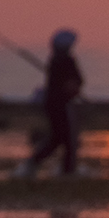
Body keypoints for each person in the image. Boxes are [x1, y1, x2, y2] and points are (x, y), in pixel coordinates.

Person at [13, 29, 84, 178]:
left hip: (54, 104)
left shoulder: (56, 61)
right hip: (62, 105)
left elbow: (74, 82)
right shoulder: (64, 61)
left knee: (59, 139)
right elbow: (77, 81)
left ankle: (57, 168)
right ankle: (66, 171)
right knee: (67, 139)